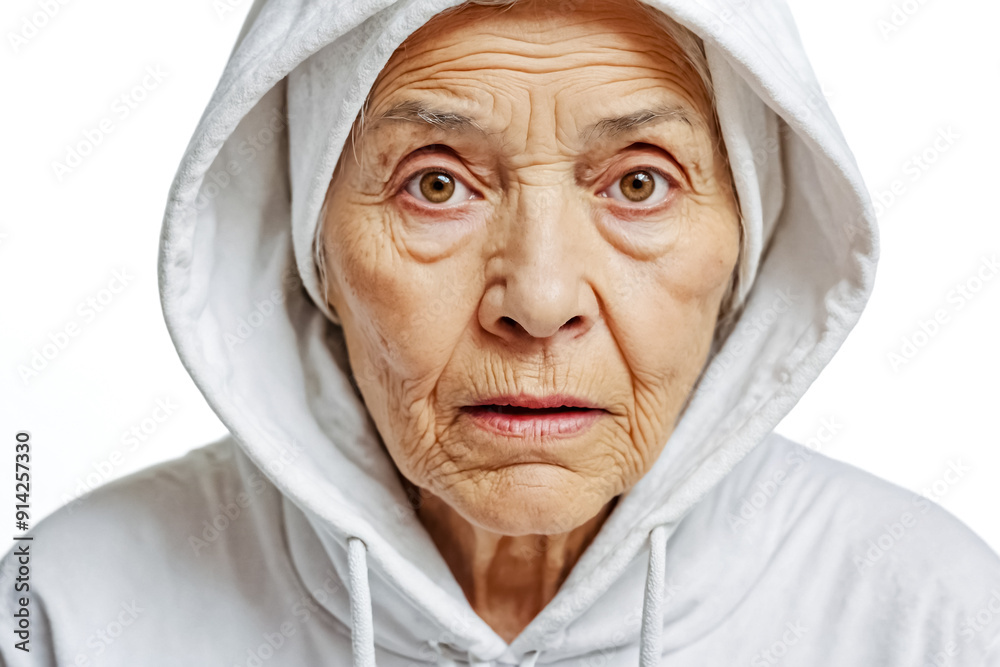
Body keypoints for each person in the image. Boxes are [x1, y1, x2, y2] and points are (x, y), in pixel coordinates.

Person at [3, 0, 999, 665]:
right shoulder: (72, 612)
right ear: (311, 243)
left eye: (638, 182)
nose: (539, 297)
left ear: (751, 236)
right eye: (434, 182)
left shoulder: (926, 618)